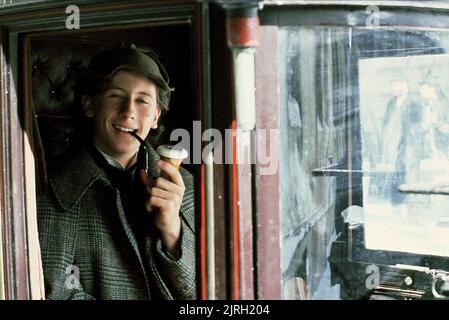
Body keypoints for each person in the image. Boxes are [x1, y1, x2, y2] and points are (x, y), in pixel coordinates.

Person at [37, 42, 196, 300]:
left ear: (156, 117)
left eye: (142, 100)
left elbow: (208, 291)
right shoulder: (51, 191)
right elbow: (57, 294)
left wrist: (172, 230)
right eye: (116, 96)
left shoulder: (186, 185)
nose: (129, 112)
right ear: (90, 106)